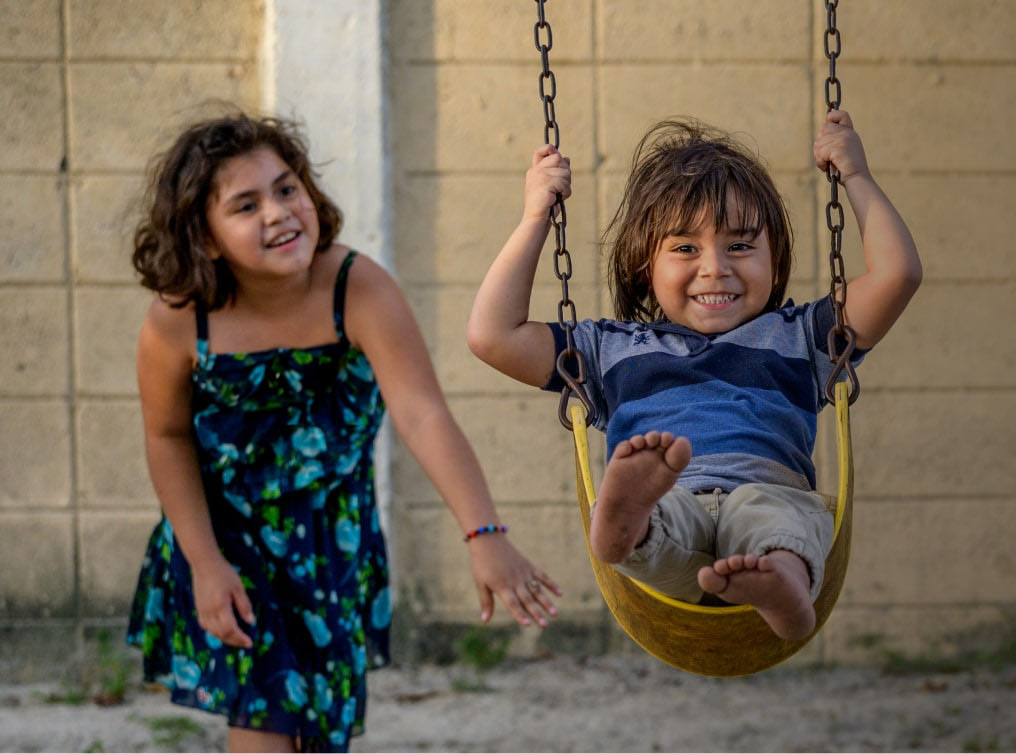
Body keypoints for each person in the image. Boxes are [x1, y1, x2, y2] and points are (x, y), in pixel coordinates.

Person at [125, 113, 563, 752]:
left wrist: (484, 532)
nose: (278, 212)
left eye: (286, 188)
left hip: (331, 546)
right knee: (265, 721)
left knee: (321, 734)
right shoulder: (179, 319)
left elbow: (423, 413)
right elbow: (166, 437)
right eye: (246, 205)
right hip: (227, 544)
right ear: (206, 237)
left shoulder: (356, 288)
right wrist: (204, 562)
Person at [467, 112, 920, 641]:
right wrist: (534, 219)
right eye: (685, 248)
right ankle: (625, 523)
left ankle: (780, 585)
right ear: (644, 265)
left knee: (773, 518)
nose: (715, 267)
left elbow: (897, 275)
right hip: (670, 505)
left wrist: (856, 177)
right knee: (662, 522)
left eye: (741, 245)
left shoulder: (799, 337)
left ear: (775, 258)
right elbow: (491, 335)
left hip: (765, 491)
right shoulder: (611, 350)